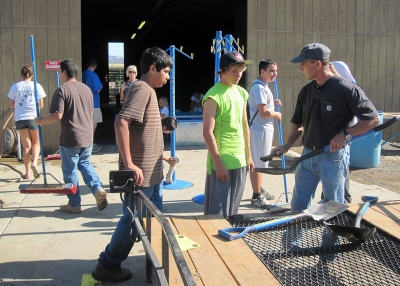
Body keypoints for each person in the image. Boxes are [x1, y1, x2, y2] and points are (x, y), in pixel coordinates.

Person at [92, 47, 172, 283]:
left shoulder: (147, 91)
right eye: (165, 72)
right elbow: (121, 123)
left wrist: (163, 126)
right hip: (140, 175)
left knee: (150, 221)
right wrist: (129, 164)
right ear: (152, 68)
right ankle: (108, 264)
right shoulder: (142, 89)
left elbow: (142, 127)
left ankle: (156, 262)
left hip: (153, 174)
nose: (167, 77)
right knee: (133, 221)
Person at [270, 43, 380, 213]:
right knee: (298, 208)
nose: (300, 68)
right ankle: (293, 240)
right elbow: (298, 126)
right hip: (307, 156)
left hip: (332, 157)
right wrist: (286, 146)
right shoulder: (306, 92)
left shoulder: (346, 89)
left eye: (303, 63)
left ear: (318, 64)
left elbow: (373, 120)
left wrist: (345, 135)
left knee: (332, 209)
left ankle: (331, 241)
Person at [34, 59, 107, 214]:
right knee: (85, 164)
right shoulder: (86, 89)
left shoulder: (62, 90)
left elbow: (57, 115)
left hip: (70, 138)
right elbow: (91, 113)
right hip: (87, 137)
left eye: (60, 72)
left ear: (64, 72)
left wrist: (40, 121)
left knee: (70, 171)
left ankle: (74, 204)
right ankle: (97, 188)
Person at [202, 51, 254, 218]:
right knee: (216, 216)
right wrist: (218, 163)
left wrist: (249, 156)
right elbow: (207, 132)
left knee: (232, 211)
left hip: (239, 160)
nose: (239, 75)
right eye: (234, 71)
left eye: (241, 71)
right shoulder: (213, 95)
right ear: (222, 71)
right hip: (222, 161)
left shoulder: (242, 93)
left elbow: (245, 126)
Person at [248, 60, 281, 208]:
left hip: (264, 130)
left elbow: (264, 106)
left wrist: (273, 102)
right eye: (271, 71)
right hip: (259, 130)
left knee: (261, 163)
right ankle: (256, 196)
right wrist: (277, 114)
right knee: (257, 164)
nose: (274, 74)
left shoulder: (263, 87)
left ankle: (258, 187)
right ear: (262, 71)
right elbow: (264, 112)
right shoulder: (258, 88)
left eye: (275, 71)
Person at [8, 66, 46, 179]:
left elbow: (11, 105)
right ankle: (34, 163)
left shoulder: (15, 86)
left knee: (26, 145)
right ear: (32, 75)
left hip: (20, 118)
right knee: (36, 142)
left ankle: (28, 173)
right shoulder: (37, 86)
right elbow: (41, 105)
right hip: (33, 117)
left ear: (21, 75)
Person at [82, 58, 103, 153]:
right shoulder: (94, 75)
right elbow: (98, 88)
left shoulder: (83, 74)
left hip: (83, 103)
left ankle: (85, 143)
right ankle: (90, 144)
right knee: (93, 125)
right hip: (94, 103)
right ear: (96, 66)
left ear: (87, 64)